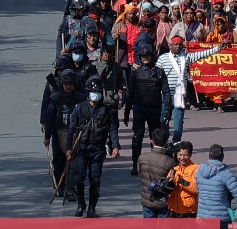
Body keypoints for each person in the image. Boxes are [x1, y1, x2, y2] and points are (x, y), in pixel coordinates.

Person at [67, 77, 122, 218]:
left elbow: (113, 129)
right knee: (78, 178)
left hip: (97, 149)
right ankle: (81, 204)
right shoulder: (79, 108)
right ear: (88, 92)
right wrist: (69, 149)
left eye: (97, 91)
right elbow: (72, 129)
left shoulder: (106, 110)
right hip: (80, 149)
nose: (95, 94)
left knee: (95, 179)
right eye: (93, 91)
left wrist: (115, 146)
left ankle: (92, 208)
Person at [158, 35, 223, 142]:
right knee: (162, 120)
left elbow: (202, 54)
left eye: (180, 45)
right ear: (170, 46)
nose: (178, 47)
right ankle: (164, 139)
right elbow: (155, 74)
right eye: (176, 45)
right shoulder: (163, 58)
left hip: (179, 96)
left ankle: (176, 143)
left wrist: (218, 48)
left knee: (178, 122)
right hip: (165, 95)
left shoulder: (186, 57)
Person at [126, 44, 172, 174]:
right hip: (139, 109)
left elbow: (166, 92)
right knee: (137, 138)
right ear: (140, 57)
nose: (145, 58)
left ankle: (155, 165)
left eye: (147, 55)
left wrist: (167, 109)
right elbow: (129, 93)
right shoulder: (135, 74)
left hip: (154, 110)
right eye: (143, 55)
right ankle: (135, 165)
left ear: (152, 56)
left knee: (156, 139)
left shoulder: (159, 72)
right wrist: (126, 111)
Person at [42, 67, 84, 198]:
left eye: (71, 84)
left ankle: (71, 189)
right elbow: (49, 118)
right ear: (62, 85)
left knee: (74, 164)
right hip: (58, 134)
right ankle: (60, 186)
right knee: (59, 162)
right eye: (66, 84)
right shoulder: (55, 99)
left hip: (76, 136)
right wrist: (47, 136)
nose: (69, 87)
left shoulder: (81, 100)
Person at [196, 143, 237, 229]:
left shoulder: (199, 172)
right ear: (222, 157)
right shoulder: (225, 174)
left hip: (202, 217)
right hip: (221, 218)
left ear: (209, 156)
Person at [138, 128, 178, 218]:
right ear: (166, 142)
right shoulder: (170, 161)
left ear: (152, 141)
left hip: (147, 199)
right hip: (163, 200)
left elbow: (140, 173)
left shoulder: (142, 157)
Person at [166, 141, 199, 218]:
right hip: (173, 212)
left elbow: (196, 188)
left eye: (185, 155)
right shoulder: (174, 169)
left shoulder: (196, 168)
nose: (182, 158)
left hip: (188, 213)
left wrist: (180, 180)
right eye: (180, 155)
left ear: (190, 155)